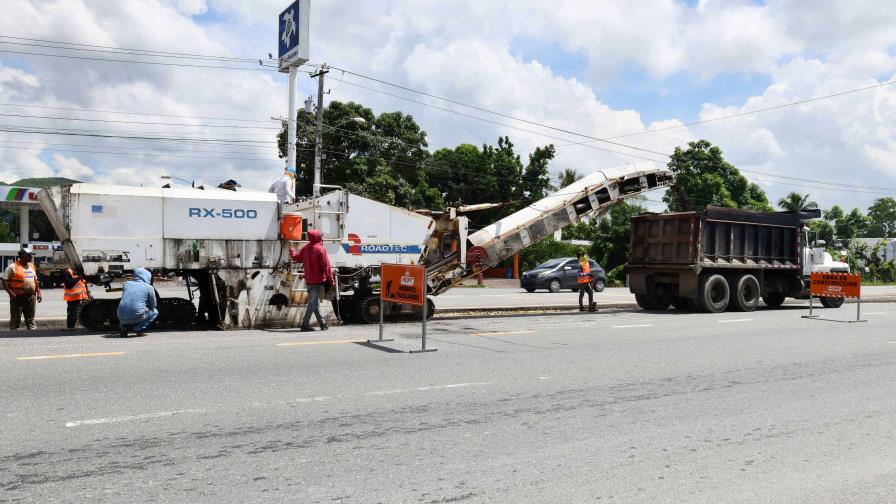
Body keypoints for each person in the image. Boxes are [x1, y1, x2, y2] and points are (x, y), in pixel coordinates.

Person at [288, 229, 334, 332]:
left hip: (308, 281)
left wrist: (292, 249)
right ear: (318, 237)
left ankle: (323, 325)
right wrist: (331, 280)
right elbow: (326, 267)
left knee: (315, 303)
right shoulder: (320, 249)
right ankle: (304, 325)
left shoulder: (306, 248)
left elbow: (297, 258)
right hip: (318, 282)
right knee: (312, 304)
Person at [3, 247, 42, 330]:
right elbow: (4, 281)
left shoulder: (31, 266)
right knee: (15, 320)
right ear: (23, 256)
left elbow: (36, 280)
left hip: (31, 297)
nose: (31, 257)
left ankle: (31, 334)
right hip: (17, 297)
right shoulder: (13, 267)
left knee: (30, 319)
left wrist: (38, 293)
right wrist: (11, 293)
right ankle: (14, 334)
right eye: (29, 255)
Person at [116, 268, 158, 337]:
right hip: (136, 315)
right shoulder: (149, 287)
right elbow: (153, 305)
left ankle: (124, 326)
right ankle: (138, 328)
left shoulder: (126, 284)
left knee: (128, 309)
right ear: (147, 276)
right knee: (154, 312)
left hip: (120, 316)